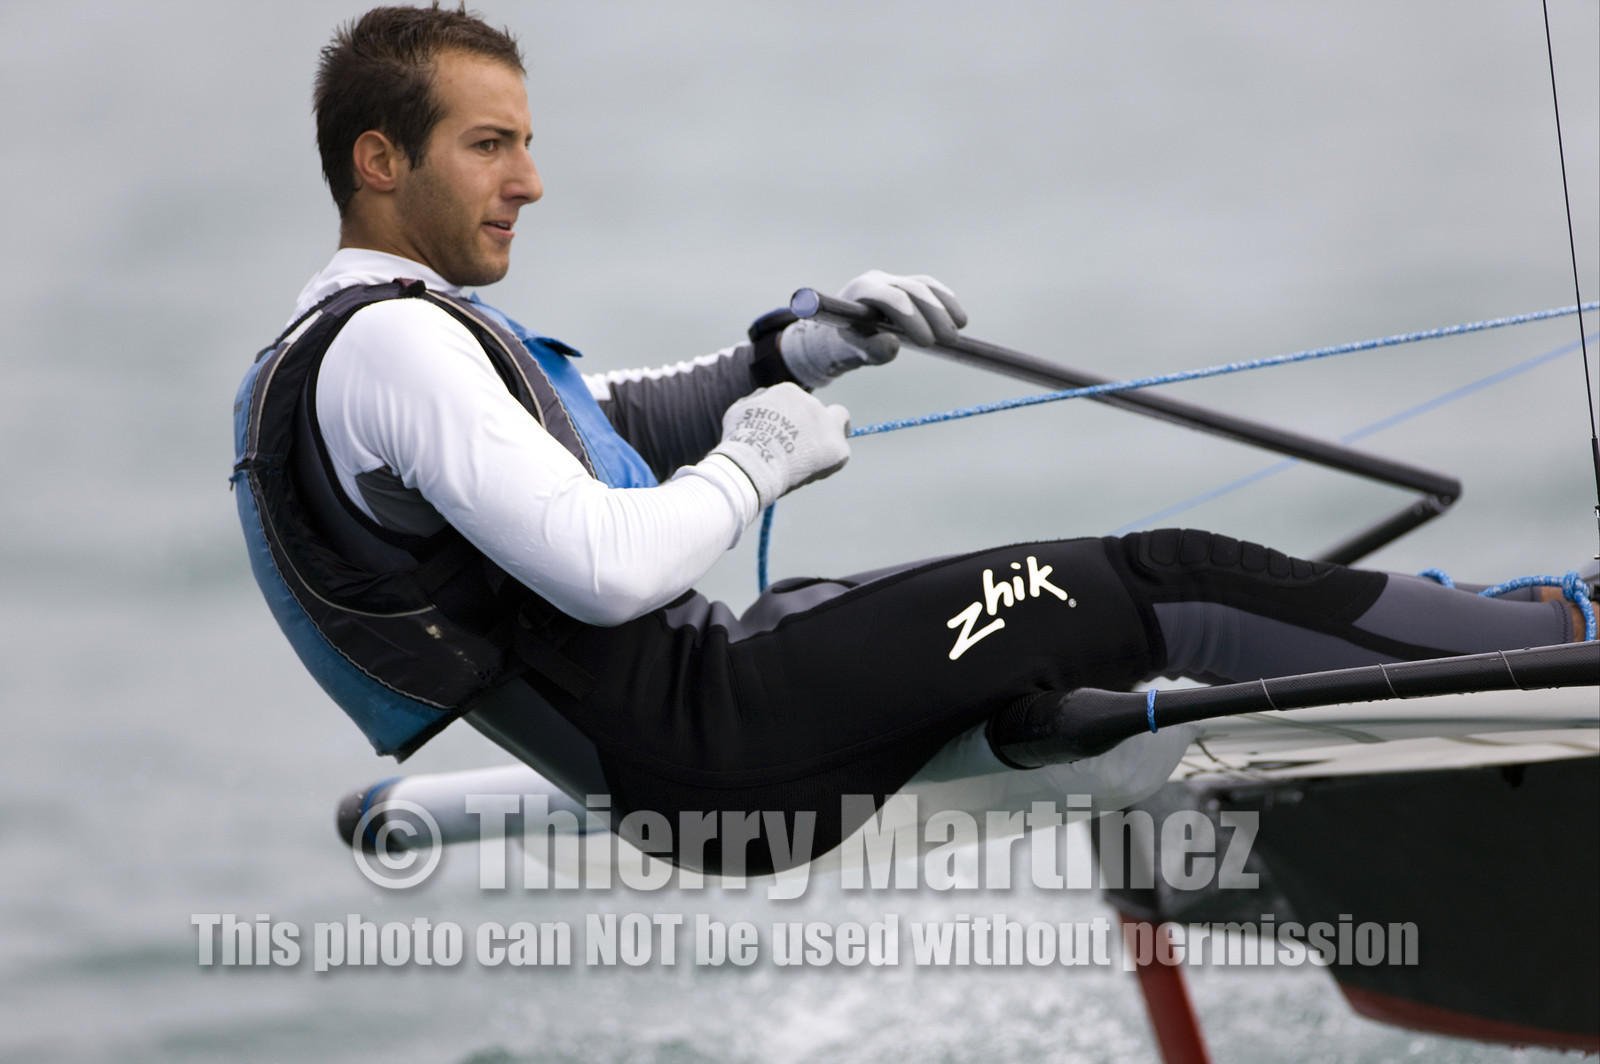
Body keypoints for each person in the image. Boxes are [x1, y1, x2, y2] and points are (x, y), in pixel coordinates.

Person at [233, 3, 1590, 876]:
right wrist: (756, 459)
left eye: (526, 141)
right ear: (378, 160)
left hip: (697, 734)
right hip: (721, 734)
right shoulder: (397, 344)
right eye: (489, 145)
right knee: (1165, 584)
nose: (530, 179)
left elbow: (597, 428)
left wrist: (787, 358)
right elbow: (600, 562)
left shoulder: (346, 345)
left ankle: (1465, 629)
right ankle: (1546, 638)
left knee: (1033, 608)